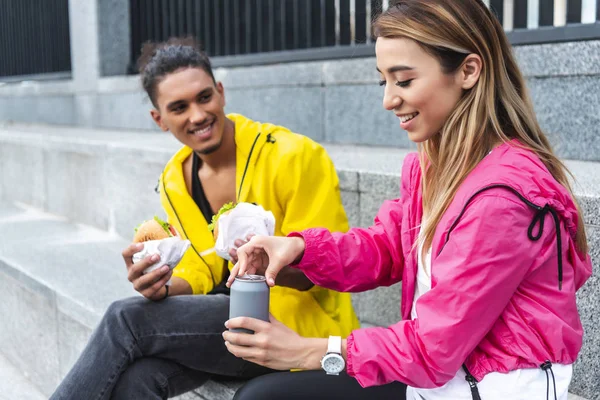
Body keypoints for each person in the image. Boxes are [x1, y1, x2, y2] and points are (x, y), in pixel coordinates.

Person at [223, 1, 593, 399]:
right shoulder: (434, 165)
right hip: (435, 381)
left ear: (469, 70)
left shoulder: (504, 196)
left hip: (492, 388)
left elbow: (434, 347)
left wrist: (311, 351)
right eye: (384, 81)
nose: (388, 100)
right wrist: (297, 247)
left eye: (403, 81)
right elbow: (387, 247)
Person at [50, 37, 360, 399]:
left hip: (293, 329)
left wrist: (266, 264)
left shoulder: (294, 156)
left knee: (126, 319)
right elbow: (203, 269)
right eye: (179, 107)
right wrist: (162, 286)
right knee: (139, 378)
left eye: (204, 97)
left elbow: (326, 268)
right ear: (159, 119)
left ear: (221, 92)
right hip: (228, 331)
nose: (197, 116)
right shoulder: (174, 177)